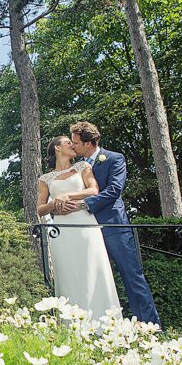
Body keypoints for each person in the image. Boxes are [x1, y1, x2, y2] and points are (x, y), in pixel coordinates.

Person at [59, 121, 161, 327]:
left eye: (76, 142)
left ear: (88, 143)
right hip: (85, 230)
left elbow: (114, 190)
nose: (73, 146)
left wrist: (84, 204)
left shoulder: (114, 158)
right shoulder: (76, 168)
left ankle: (149, 326)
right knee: (92, 277)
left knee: (131, 275)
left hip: (113, 226)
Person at [36, 135, 121, 320]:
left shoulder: (83, 167)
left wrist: (68, 196)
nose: (73, 145)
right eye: (68, 142)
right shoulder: (46, 178)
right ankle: (72, 323)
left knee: (93, 268)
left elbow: (93, 190)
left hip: (85, 224)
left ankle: (104, 322)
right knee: (68, 273)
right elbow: (41, 209)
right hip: (61, 230)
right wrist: (54, 204)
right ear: (58, 148)